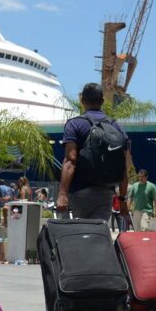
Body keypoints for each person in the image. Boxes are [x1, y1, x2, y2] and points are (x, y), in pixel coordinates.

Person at [57, 82, 130, 221]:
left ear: (82, 100)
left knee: (77, 232)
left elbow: (70, 161)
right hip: (105, 193)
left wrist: (62, 194)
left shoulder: (75, 124)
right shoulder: (115, 126)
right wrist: (122, 200)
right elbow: (123, 167)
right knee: (98, 231)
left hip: (79, 192)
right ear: (102, 101)